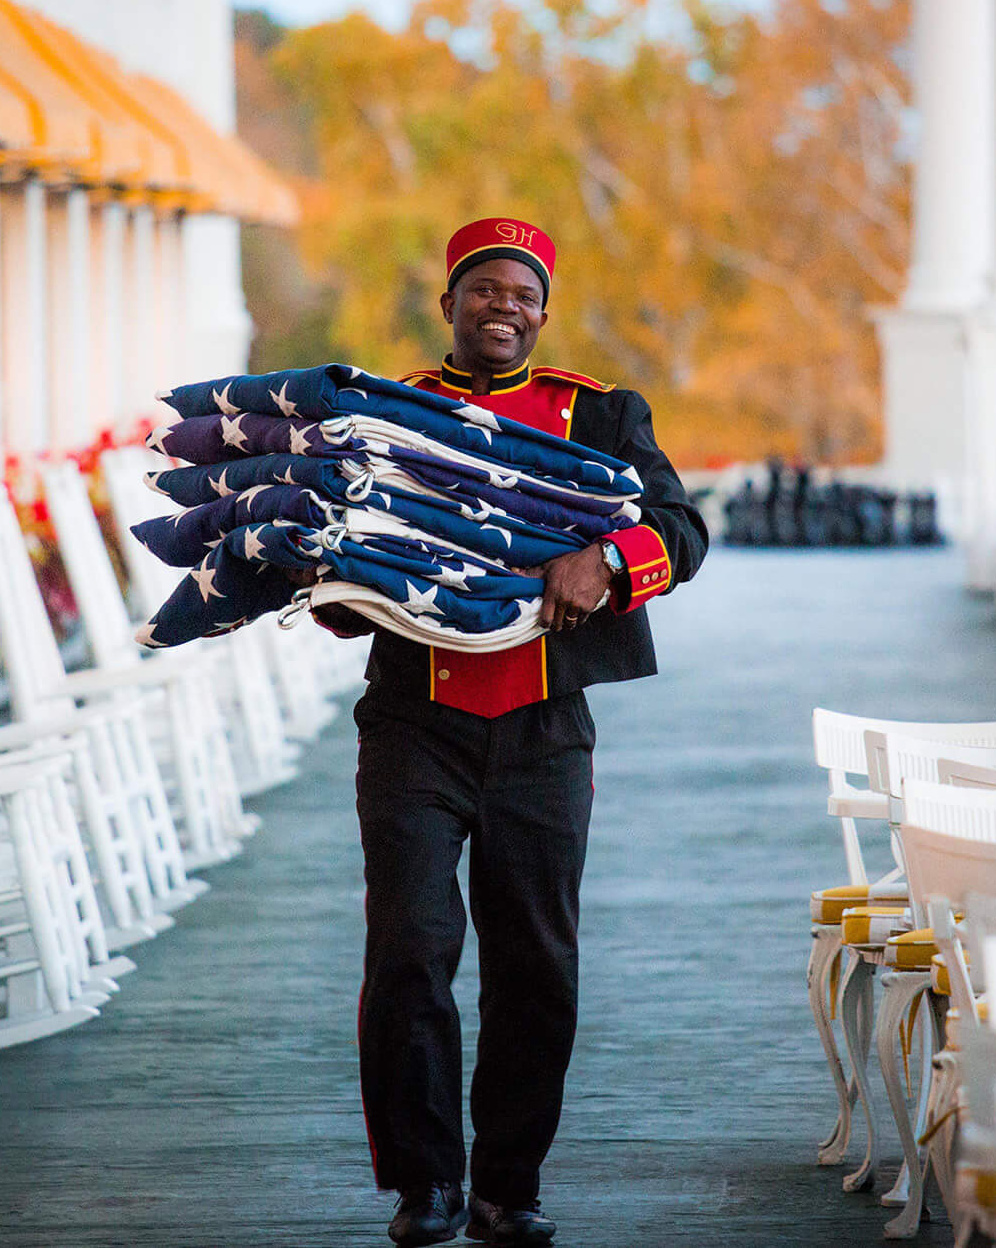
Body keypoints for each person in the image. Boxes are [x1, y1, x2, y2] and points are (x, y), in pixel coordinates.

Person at [313, 217, 707, 1247]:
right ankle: (425, 1185)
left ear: (542, 310)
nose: (504, 307)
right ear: (448, 303)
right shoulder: (387, 413)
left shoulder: (602, 414)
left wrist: (610, 563)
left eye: (522, 294)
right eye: (482, 290)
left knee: (535, 961)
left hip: (542, 726)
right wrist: (339, 588)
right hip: (415, 722)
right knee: (410, 947)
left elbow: (681, 528)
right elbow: (333, 553)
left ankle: (506, 1186)